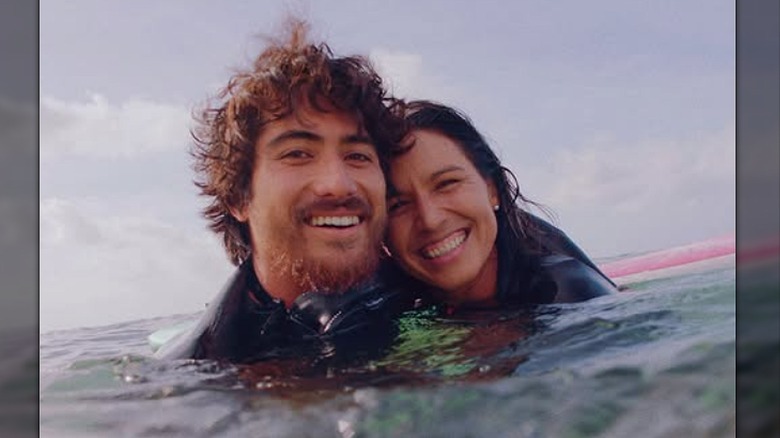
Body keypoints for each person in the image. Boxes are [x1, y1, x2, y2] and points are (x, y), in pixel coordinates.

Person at [156, 19, 414, 363]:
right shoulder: (194, 375)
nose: (338, 184)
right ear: (238, 197)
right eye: (297, 154)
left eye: (357, 155)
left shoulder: (435, 286)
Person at [385, 101, 618, 310]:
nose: (430, 220)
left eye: (447, 184)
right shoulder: (396, 314)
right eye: (397, 205)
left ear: (493, 189)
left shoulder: (568, 293)